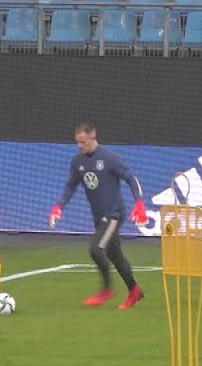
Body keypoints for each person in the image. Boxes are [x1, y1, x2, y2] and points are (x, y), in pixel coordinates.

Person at [49, 123, 148, 310]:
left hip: (114, 214)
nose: (80, 145)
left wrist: (140, 203)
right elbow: (71, 185)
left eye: (83, 141)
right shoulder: (77, 162)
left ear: (93, 136)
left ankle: (107, 290)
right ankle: (134, 290)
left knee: (96, 249)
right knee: (115, 254)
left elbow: (131, 179)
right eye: (77, 142)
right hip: (99, 217)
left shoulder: (110, 159)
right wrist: (59, 207)